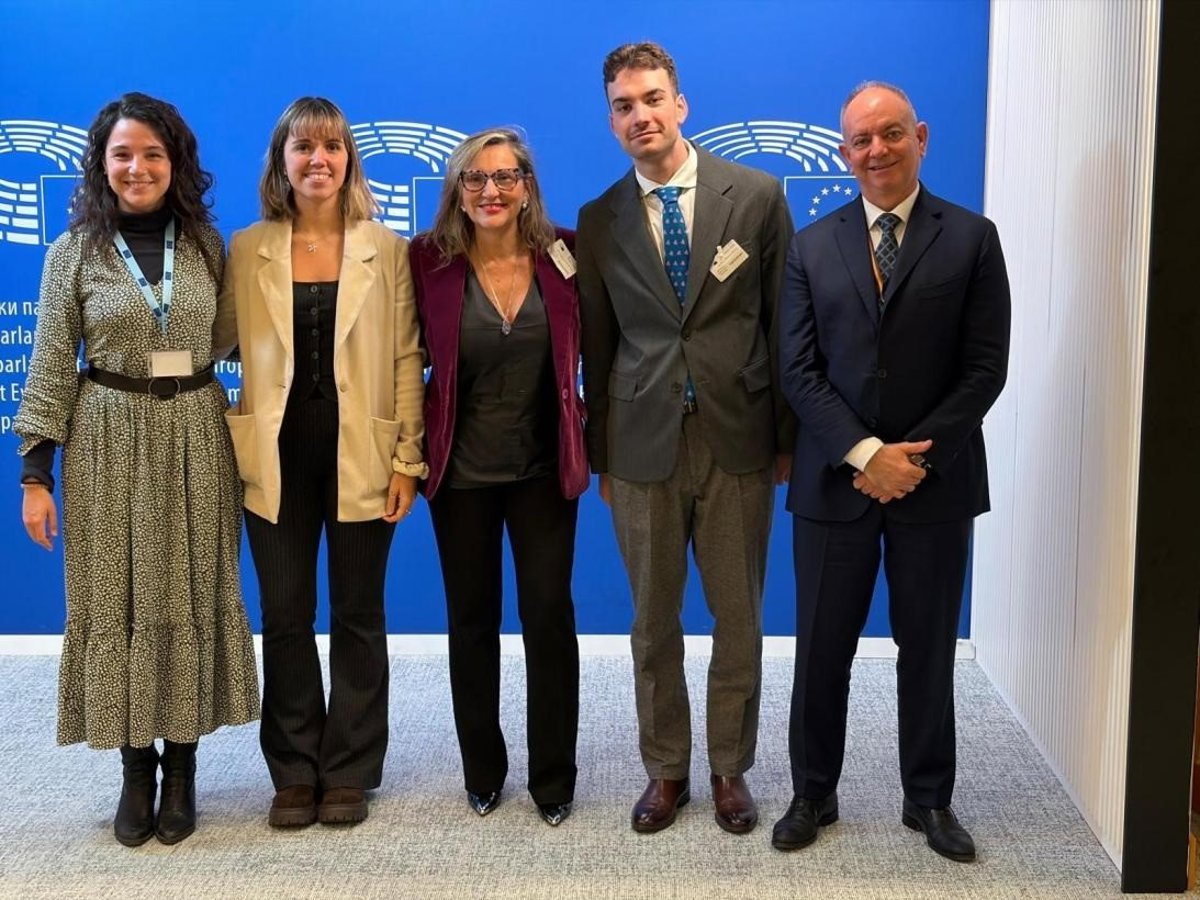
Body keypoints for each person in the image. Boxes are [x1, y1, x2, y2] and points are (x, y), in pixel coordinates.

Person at [15, 92, 259, 847]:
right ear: (102, 164)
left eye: (153, 154)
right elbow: (50, 362)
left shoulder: (208, 245)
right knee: (117, 595)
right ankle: (134, 768)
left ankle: (181, 768)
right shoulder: (71, 254)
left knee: (191, 587)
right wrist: (35, 477)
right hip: (107, 437)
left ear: (175, 163)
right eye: (122, 154)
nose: (138, 167)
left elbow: (240, 339)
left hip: (196, 433)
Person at [773, 81, 1010, 861]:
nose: (877, 150)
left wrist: (912, 458)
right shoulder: (811, 246)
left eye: (892, 133)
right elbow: (798, 369)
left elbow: (984, 368)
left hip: (934, 483)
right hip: (835, 482)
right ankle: (813, 792)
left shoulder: (972, 239)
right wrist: (866, 453)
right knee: (821, 650)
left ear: (921, 137)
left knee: (930, 648)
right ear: (845, 153)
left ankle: (929, 800)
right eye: (861, 140)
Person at [577, 42, 795, 835]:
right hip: (641, 447)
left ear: (681, 105)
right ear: (612, 121)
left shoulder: (757, 196)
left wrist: (786, 439)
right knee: (652, 622)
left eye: (652, 99)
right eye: (624, 106)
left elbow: (783, 323)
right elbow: (597, 346)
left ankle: (730, 767)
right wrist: (602, 456)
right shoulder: (598, 220)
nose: (640, 115)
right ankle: (665, 769)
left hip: (739, 439)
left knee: (738, 618)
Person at [217, 97, 426, 828]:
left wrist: (407, 460)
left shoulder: (386, 248)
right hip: (273, 457)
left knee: (359, 613)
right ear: (281, 161)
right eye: (302, 147)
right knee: (284, 614)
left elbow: (406, 358)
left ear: (348, 160)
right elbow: (211, 340)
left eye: (331, 147)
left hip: (362, 451)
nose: (318, 160)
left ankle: (350, 769)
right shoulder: (247, 247)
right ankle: (294, 769)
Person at [410, 128, 586, 827]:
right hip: (460, 474)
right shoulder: (427, 260)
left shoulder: (567, 253)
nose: (491, 191)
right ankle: (482, 771)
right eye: (476, 178)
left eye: (506, 176)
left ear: (527, 186)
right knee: (472, 622)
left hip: (544, 470)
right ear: (458, 191)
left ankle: (554, 778)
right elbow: (402, 361)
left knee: (549, 619)